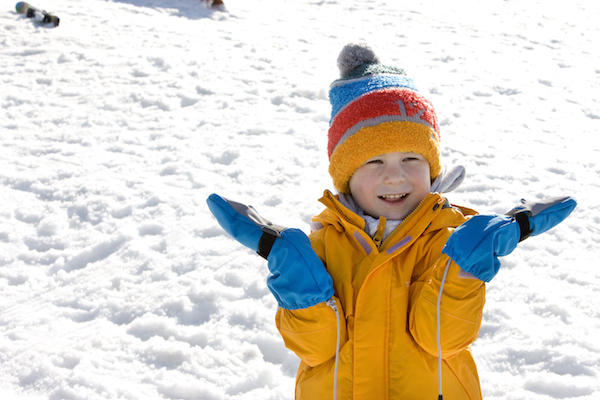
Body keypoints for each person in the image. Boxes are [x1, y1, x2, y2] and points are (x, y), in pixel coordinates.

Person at [207, 43, 576, 400]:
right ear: (346, 176)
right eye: (374, 161)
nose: (395, 177)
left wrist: (461, 271)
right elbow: (317, 349)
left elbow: (441, 340)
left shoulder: (446, 239)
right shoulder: (323, 246)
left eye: (411, 159)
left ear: (432, 169)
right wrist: (300, 291)